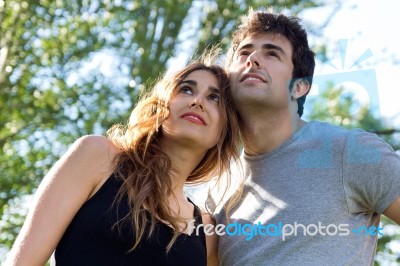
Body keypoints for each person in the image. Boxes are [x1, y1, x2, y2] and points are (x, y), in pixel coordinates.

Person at [5, 53, 240, 265]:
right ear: (162, 106)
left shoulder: (208, 232)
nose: (197, 101)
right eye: (186, 89)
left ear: (224, 131)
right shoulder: (97, 156)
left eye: (214, 98)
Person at [213, 8, 400, 265]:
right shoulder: (217, 187)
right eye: (244, 52)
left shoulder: (349, 150)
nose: (253, 58)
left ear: (299, 87)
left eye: (272, 54)